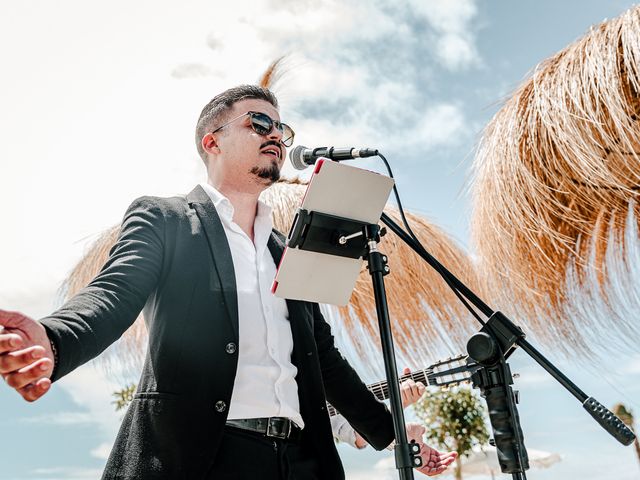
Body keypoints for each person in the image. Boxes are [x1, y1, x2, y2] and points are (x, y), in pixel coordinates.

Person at [0, 85, 456, 479]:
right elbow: (113, 293)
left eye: (282, 129)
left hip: (301, 462)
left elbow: (325, 360)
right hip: (206, 459)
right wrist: (53, 339)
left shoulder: (286, 249)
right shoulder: (166, 219)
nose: (276, 135)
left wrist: (394, 435)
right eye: (259, 122)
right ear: (212, 141)